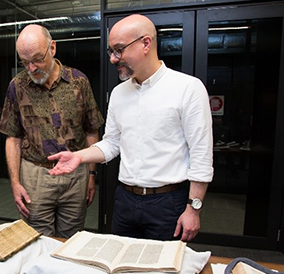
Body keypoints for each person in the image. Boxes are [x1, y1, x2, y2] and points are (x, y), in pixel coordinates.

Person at [48, 14, 213, 242]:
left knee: (162, 272)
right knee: (123, 269)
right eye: (111, 52)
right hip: (125, 200)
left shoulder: (188, 89)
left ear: (146, 43)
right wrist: (78, 157)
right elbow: (112, 143)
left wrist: (193, 209)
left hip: (167, 203)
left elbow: (201, 155)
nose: (114, 59)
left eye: (119, 50)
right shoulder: (119, 93)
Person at [0, 24, 104, 238]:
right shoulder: (17, 86)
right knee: (36, 241)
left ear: (52, 48)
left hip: (75, 176)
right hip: (35, 176)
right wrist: (15, 183)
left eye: (37, 59)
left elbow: (92, 131)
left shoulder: (79, 82)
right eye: (25, 62)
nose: (32, 67)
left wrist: (92, 175)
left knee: (71, 240)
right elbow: (13, 137)